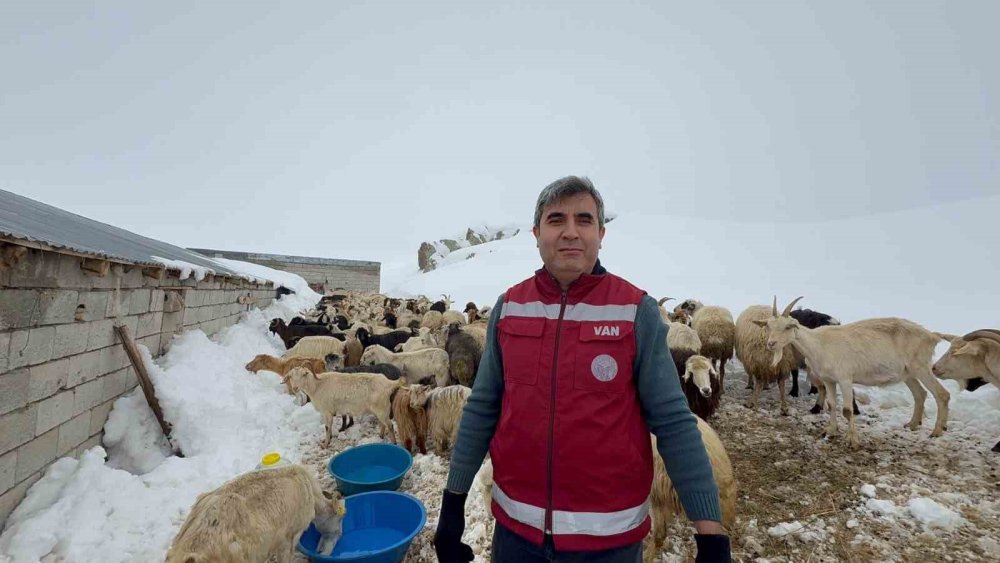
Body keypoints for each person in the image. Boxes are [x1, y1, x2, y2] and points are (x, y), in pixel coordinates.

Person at [432, 176, 732, 562]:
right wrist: (452, 506)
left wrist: (710, 533)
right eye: (557, 220)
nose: (570, 232)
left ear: (601, 234)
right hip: (516, 537)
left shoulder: (634, 312)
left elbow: (673, 422)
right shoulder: (510, 308)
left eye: (584, 220)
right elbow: (482, 409)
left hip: (609, 545)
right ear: (537, 232)